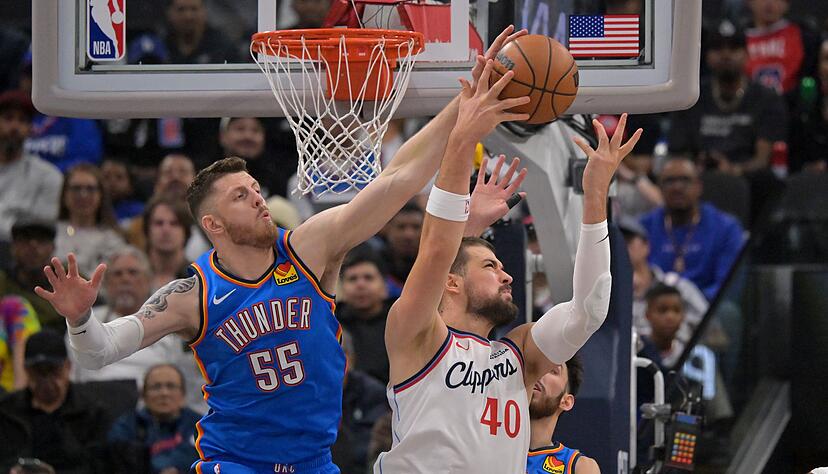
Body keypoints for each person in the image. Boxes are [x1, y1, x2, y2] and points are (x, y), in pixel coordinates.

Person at [35, 26, 534, 474]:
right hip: (235, 464)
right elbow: (99, 352)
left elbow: (398, 177)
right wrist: (79, 319)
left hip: (315, 462)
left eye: (255, 188)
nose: (257, 198)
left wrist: (465, 100)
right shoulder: (192, 294)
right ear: (212, 225)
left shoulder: (310, 247)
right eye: (240, 196)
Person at [373, 68, 641, 473]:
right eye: (490, 266)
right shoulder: (416, 334)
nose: (508, 275)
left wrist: (595, 195)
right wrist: (463, 138)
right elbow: (436, 251)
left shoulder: (519, 353)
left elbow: (589, 309)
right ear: (452, 282)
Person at [0, 330, 109, 474]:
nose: (46, 380)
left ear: (68, 367)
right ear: (26, 370)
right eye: (37, 372)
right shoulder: (6, 412)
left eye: (53, 371)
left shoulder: (92, 413)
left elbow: (98, 466)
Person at [639, 157, 745, 301]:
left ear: (699, 187)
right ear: (660, 188)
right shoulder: (643, 228)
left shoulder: (727, 228)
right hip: (655, 305)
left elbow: (727, 286)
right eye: (669, 181)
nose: (677, 187)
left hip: (707, 305)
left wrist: (688, 303)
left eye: (685, 180)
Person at [107, 364, 201, 474]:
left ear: (183, 394)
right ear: (143, 395)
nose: (164, 393)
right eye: (156, 387)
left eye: (171, 386)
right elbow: (120, 461)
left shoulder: (201, 425)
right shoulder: (125, 427)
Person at [0, 90, 63, 244]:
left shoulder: (48, 175)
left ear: (30, 128)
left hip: (20, 250)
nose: (14, 126)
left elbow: (40, 230)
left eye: (22, 120)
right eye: (8, 118)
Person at [526, 356, 600, 474]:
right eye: (537, 367)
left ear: (566, 402)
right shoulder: (495, 447)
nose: (539, 374)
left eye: (553, 371)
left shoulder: (580, 467)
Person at [55, 164, 126, 278]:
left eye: (90, 189)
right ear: (64, 194)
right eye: (76, 188)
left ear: (101, 195)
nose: (83, 195)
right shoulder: (50, 233)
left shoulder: (113, 240)